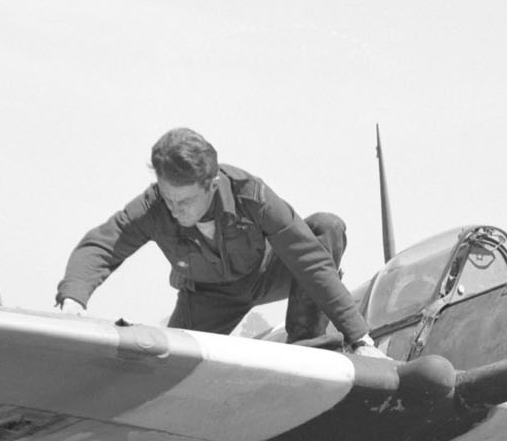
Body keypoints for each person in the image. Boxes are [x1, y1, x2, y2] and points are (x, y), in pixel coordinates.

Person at [56, 128, 380, 352]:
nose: (174, 209)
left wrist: (361, 338)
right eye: (168, 199)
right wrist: (73, 299)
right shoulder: (154, 206)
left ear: (212, 186)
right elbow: (103, 244)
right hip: (207, 297)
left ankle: (305, 347)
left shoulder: (253, 195)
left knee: (327, 226)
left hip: (266, 273)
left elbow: (310, 261)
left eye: (184, 202)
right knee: (167, 373)